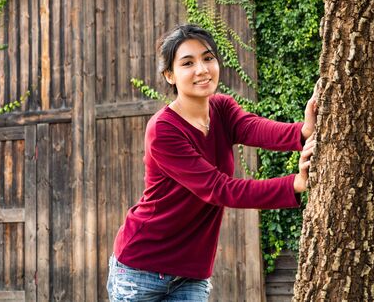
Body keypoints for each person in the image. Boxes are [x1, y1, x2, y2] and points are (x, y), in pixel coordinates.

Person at [107, 24, 316, 301]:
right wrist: (294, 184)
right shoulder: (164, 130)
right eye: (187, 63)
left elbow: (254, 128)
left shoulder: (222, 108)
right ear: (169, 75)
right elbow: (220, 189)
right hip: (141, 270)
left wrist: (303, 132)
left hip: (192, 273)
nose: (202, 69)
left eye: (208, 58)